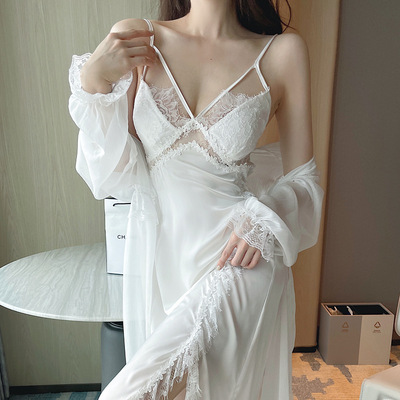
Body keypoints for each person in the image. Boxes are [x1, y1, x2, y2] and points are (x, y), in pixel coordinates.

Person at [68, 0, 323, 398]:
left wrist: (264, 219)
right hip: (164, 265)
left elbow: (305, 181)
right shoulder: (139, 37)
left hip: (241, 257)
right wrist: (94, 81)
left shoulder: (282, 52)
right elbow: (111, 174)